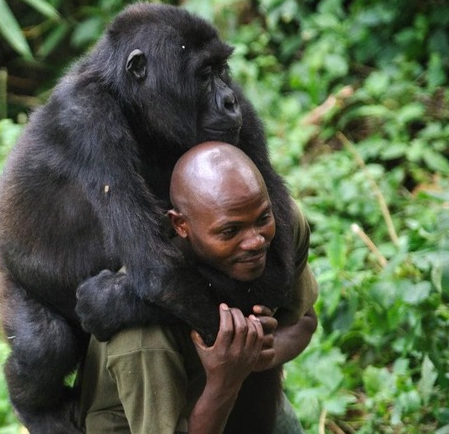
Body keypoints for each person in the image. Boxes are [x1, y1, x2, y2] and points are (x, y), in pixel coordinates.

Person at [78, 141, 318, 433]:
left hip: (234, 398)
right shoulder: (141, 336)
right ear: (180, 225)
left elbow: (304, 320)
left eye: (262, 219)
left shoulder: (282, 228)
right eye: (230, 231)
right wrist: (224, 380)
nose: (255, 241)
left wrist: (259, 352)